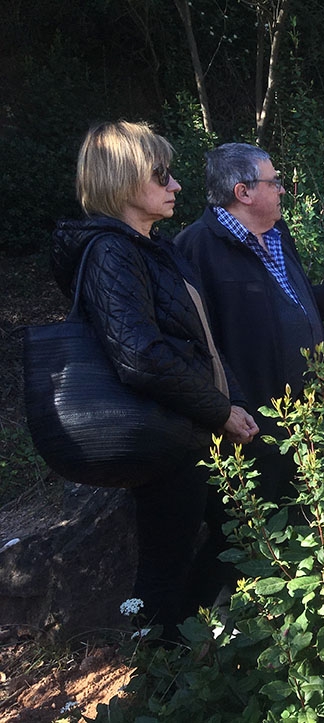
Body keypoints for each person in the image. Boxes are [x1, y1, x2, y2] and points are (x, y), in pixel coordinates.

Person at [50, 121, 259, 639]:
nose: (176, 186)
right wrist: (219, 409)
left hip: (188, 427)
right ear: (124, 181)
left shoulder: (150, 247)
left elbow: (198, 338)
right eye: (161, 175)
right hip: (163, 435)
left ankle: (193, 652)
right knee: (165, 567)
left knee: (240, 531)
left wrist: (229, 401)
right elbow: (140, 355)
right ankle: (159, 681)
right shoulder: (109, 252)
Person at [174, 143, 324, 502]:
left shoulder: (277, 233)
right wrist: (225, 409)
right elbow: (195, 342)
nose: (281, 189)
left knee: (317, 516)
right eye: (273, 182)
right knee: (263, 530)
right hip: (259, 426)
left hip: (313, 413)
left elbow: (293, 309)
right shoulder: (197, 246)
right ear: (242, 192)